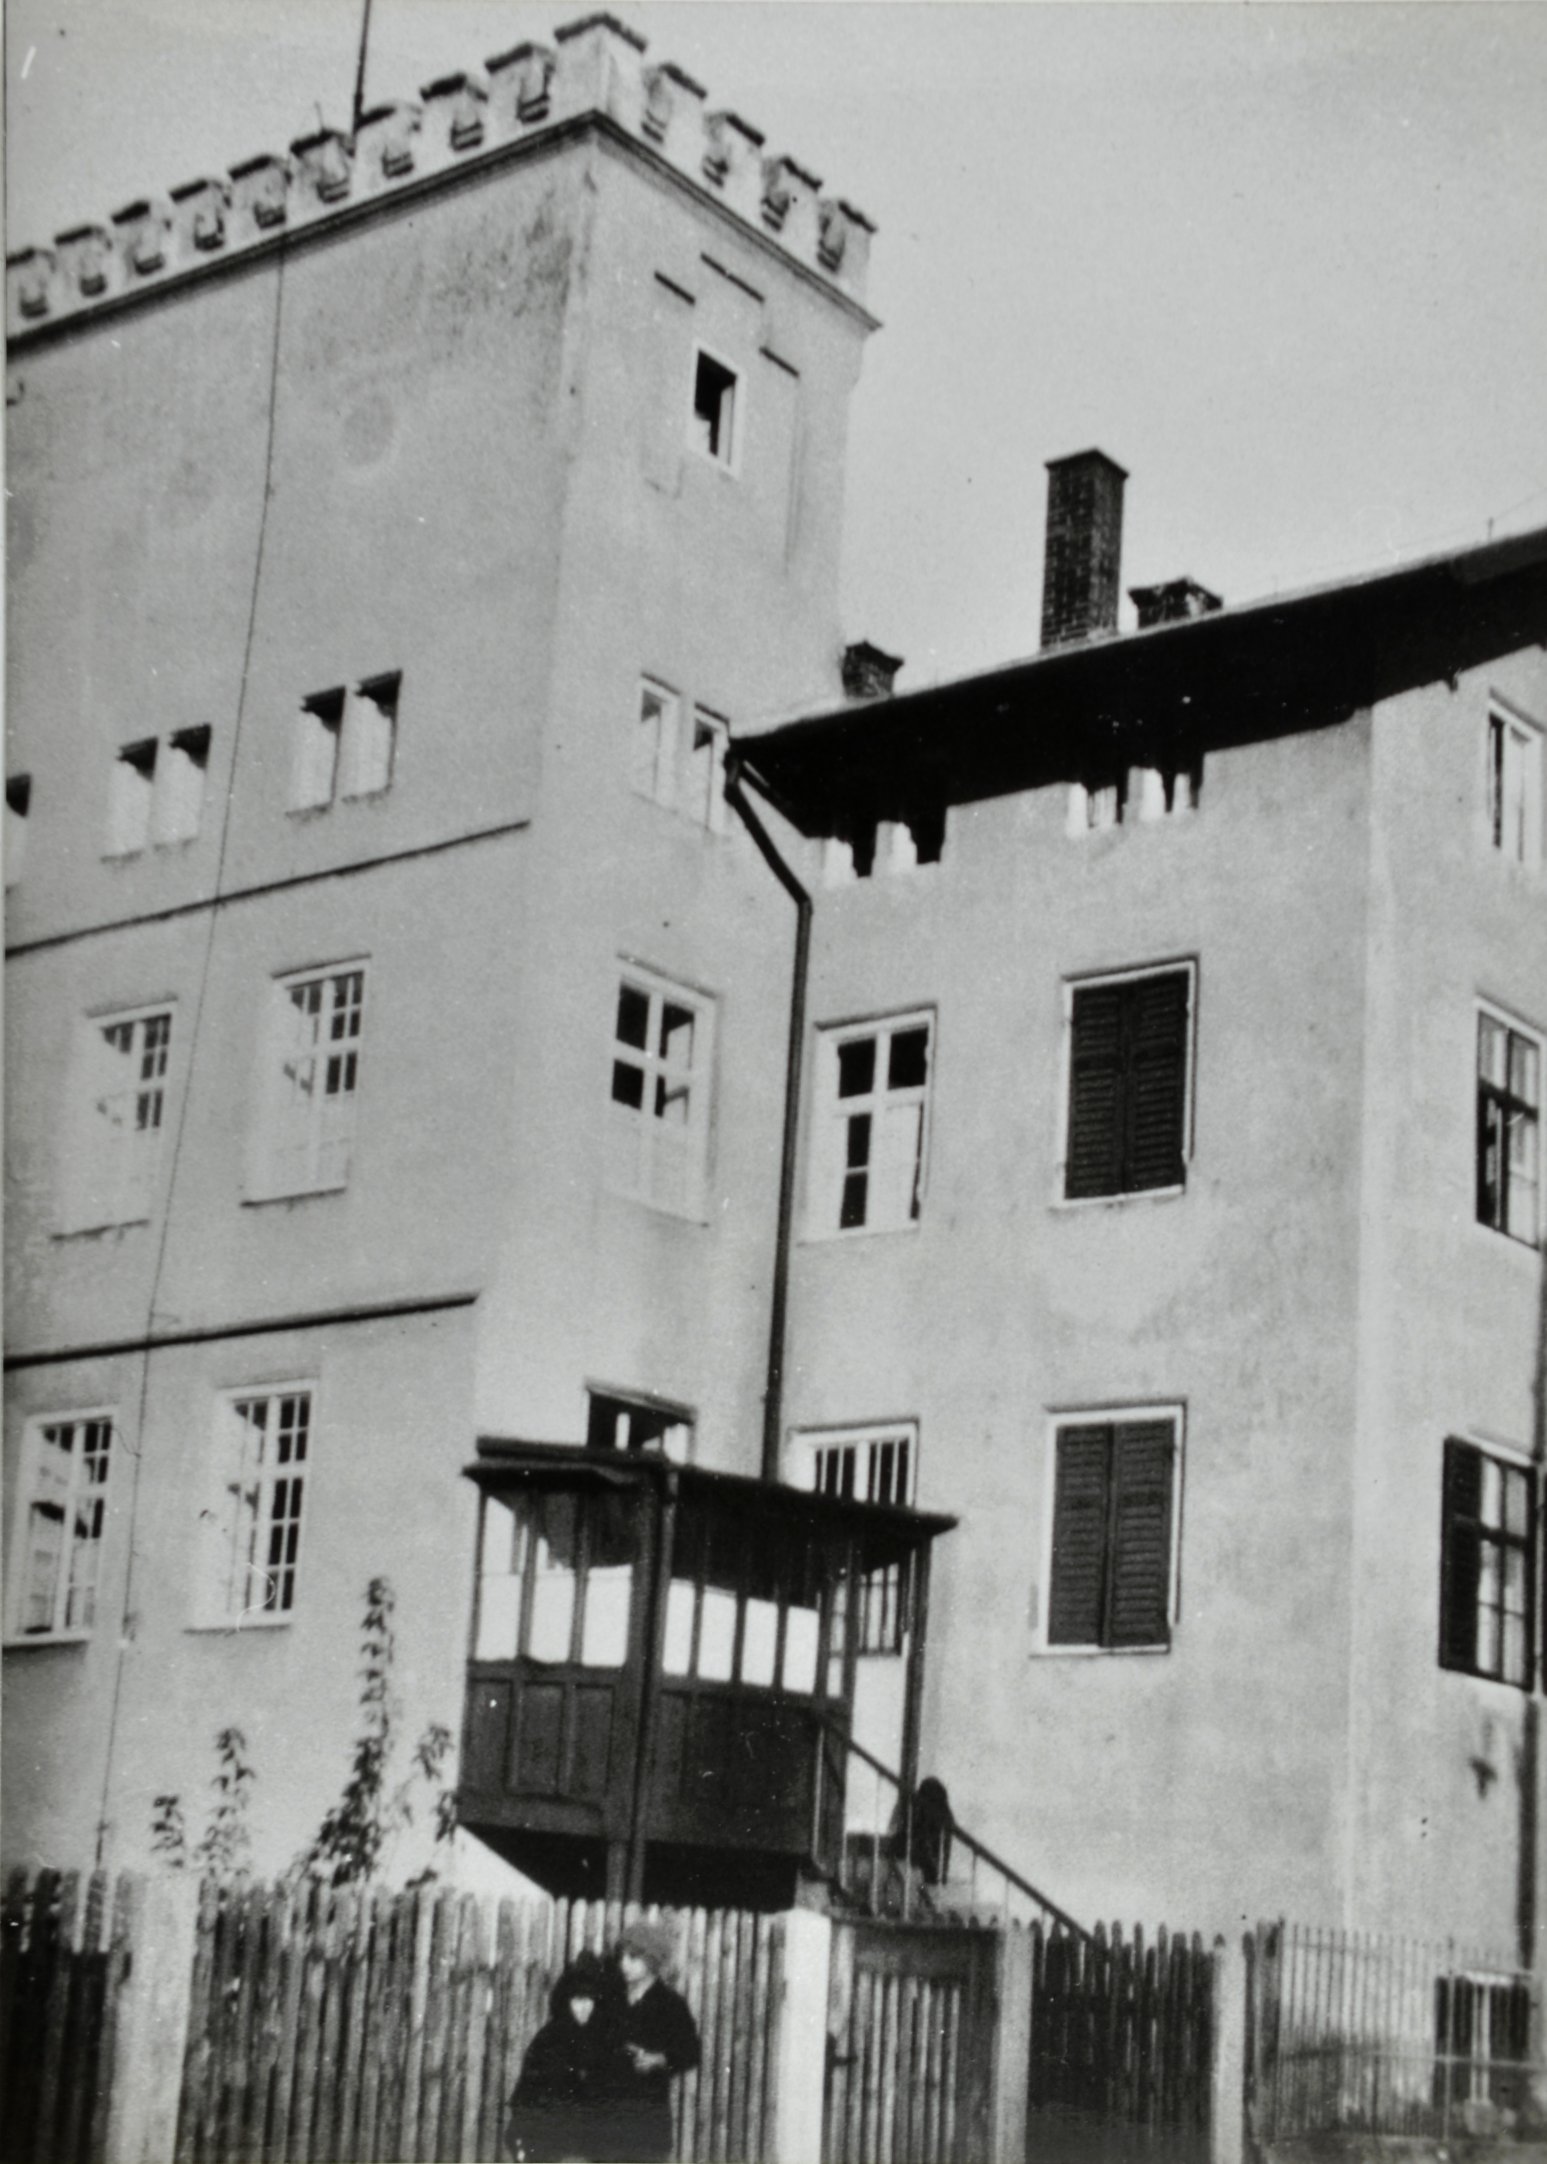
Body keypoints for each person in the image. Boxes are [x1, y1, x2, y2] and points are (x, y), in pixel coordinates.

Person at [505, 1950, 626, 2162]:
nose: (584, 2006)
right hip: (551, 2147)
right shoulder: (547, 2040)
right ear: (566, 2000)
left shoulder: (606, 2041)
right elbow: (526, 2099)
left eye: (590, 1999)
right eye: (578, 1999)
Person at [610, 1918, 701, 2164]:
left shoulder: (670, 2004)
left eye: (633, 1957)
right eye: (622, 1957)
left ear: (652, 1960)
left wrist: (658, 2059)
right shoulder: (613, 1998)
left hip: (647, 2125)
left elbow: (691, 2051)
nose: (624, 1964)